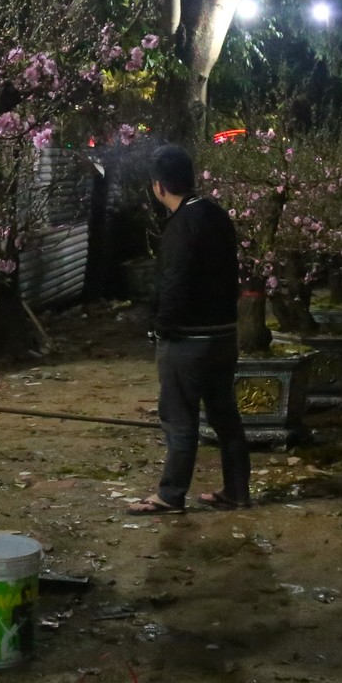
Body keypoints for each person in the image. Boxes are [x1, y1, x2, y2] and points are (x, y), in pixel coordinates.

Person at [127, 144, 252, 514]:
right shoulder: (217, 215)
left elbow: (174, 284)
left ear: (158, 186)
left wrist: (161, 328)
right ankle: (237, 490)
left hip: (188, 340)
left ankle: (170, 494)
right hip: (224, 334)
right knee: (225, 415)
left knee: (179, 417)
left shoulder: (180, 226)